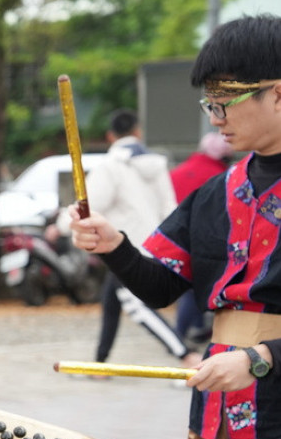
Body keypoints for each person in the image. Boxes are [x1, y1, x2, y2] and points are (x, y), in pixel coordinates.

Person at [70, 14, 281, 439]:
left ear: (280, 91)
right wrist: (116, 247)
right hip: (218, 421)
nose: (215, 115)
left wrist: (258, 357)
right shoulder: (217, 191)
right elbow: (164, 283)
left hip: (280, 407)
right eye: (208, 101)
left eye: (228, 99)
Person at [79, 108, 196, 368]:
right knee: (111, 302)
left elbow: (89, 206)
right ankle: (100, 363)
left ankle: (185, 355)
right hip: (154, 244)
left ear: (111, 136)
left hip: (122, 246)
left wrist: (62, 225)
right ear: (137, 132)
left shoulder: (110, 167)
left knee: (138, 307)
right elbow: (170, 209)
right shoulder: (156, 164)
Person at [170, 131, 234, 347]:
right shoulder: (224, 177)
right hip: (208, 241)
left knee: (187, 286)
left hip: (175, 238)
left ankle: (195, 329)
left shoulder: (178, 172)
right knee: (197, 287)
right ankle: (179, 334)